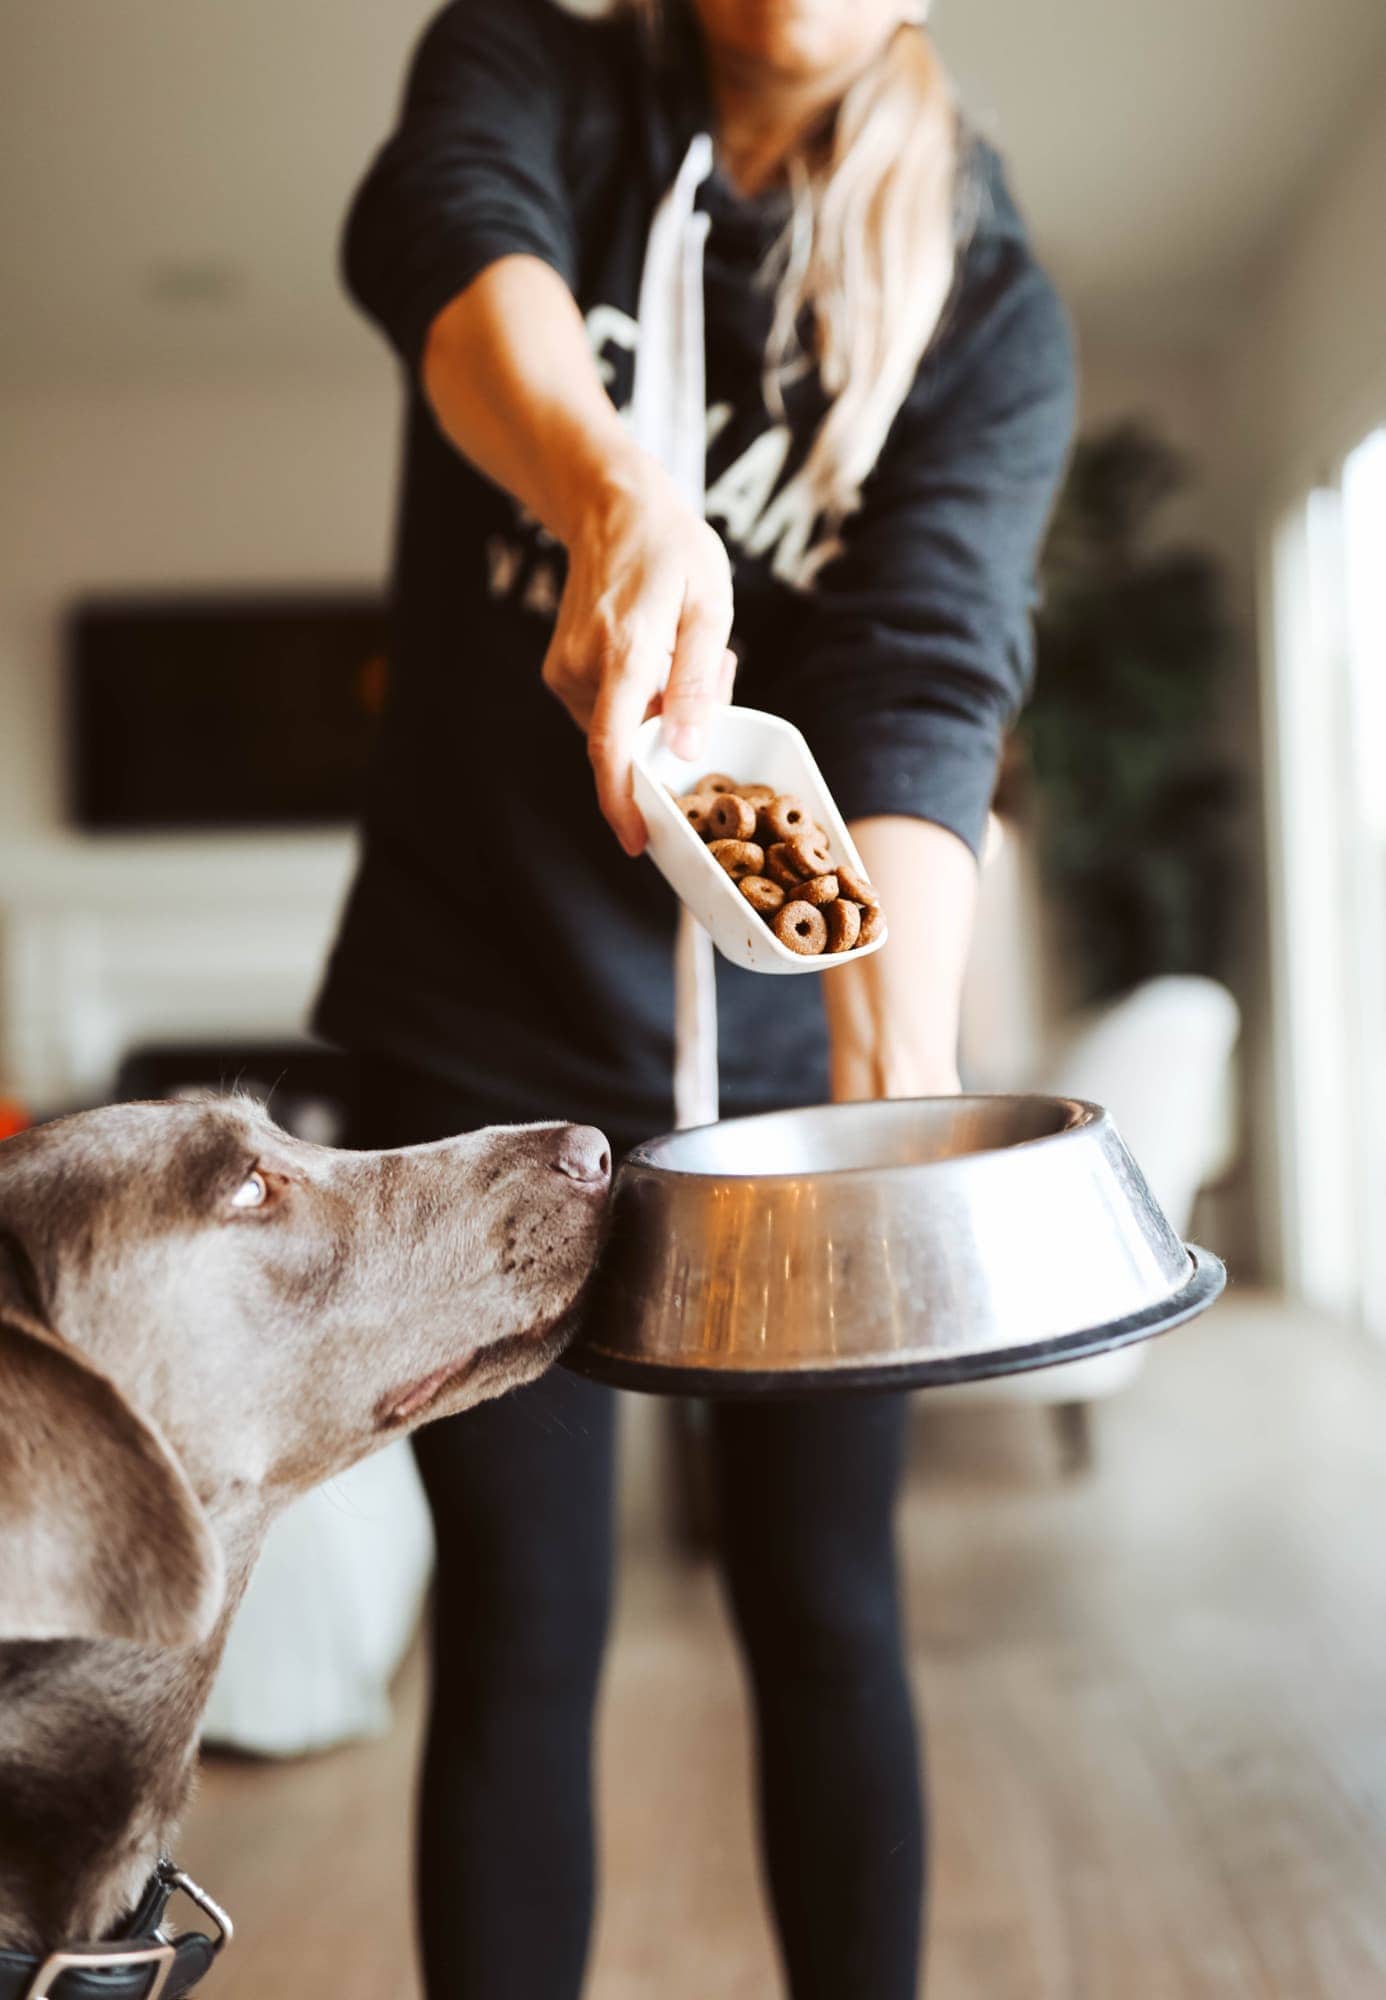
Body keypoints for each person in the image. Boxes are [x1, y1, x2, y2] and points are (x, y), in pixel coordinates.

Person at [315, 1, 1074, 1992]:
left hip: (776, 1086)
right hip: (471, 1024)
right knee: (521, 1617)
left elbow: (922, 687)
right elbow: (447, 241)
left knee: (824, 1605)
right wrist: (618, 494)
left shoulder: (988, 304)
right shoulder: (528, 73)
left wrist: (892, 1098)